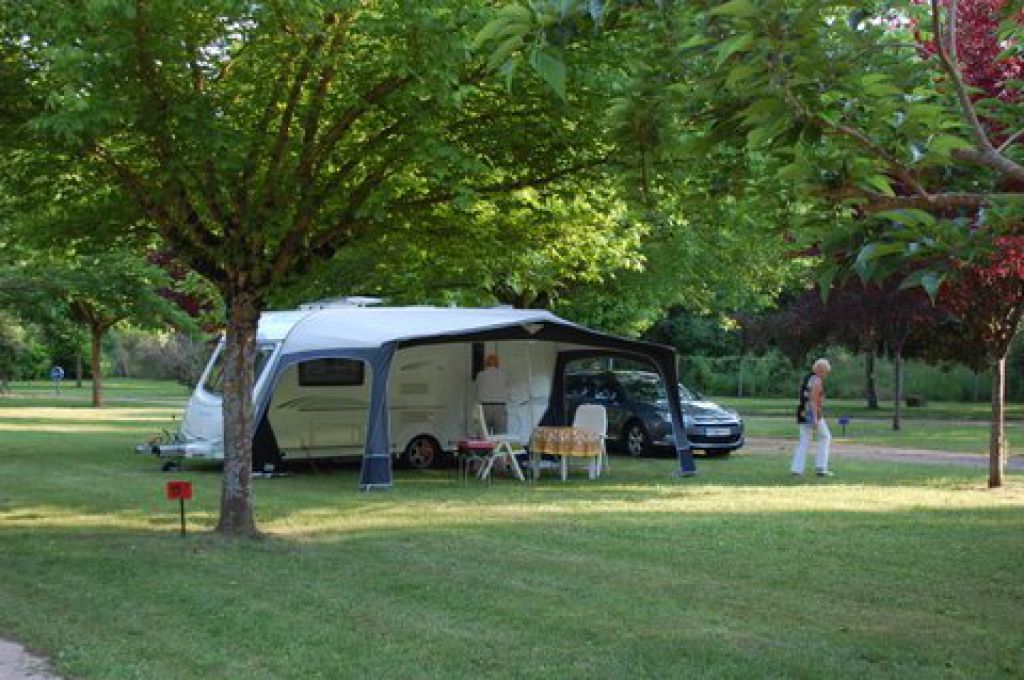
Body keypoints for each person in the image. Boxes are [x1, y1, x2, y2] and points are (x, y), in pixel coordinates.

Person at [790, 358, 833, 477]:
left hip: (803, 412)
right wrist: (814, 419)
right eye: (826, 372)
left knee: (804, 440)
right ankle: (821, 468)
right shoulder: (817, 380)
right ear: (821, 370)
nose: (826, 374)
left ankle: (796, 469)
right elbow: (813, 401)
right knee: (825, 437)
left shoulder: (808, 377)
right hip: (811, 414)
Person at [475, 353, 508, 434]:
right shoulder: (503, 375)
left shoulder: (480, 375)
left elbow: (477, 388)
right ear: (497, 363)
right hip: (499, 407)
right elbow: (507, 387)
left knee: (484, 436)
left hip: (484, 407)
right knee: (500, 437)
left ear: (486, 363)